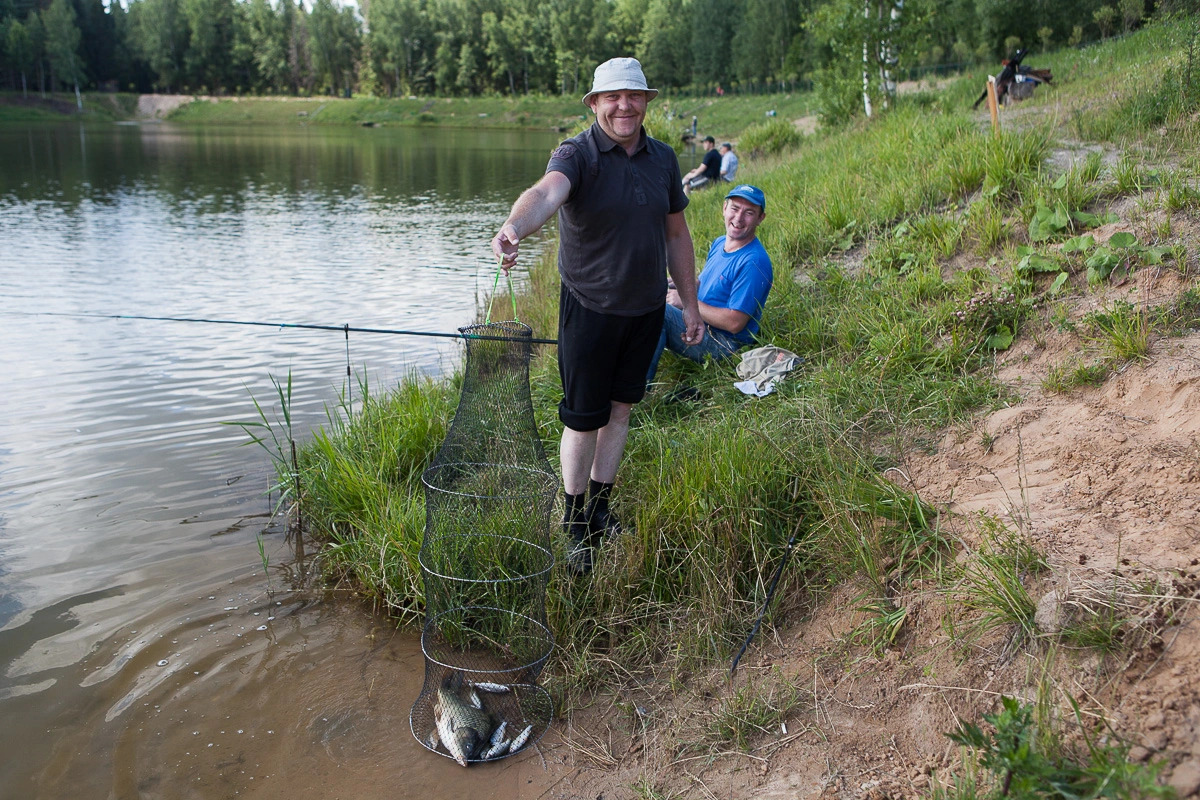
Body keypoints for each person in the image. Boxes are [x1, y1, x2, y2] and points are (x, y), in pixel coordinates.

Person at [491, 57, 704, 575]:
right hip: (588, 310)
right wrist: (514, 227)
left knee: (621, 410)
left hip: (647, 309)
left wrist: (692, 305)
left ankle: (601, 510)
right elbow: (546, 193)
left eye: (634, 96)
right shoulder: (576, 154)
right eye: (613, 97)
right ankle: (573, 522)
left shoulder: (663, 158)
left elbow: (676, 233)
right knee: (584, 421)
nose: (624, 106)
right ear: (594, 104)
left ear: (646, 101)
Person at [646, 184, 772, 383]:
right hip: (701, 324)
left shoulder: (753, 262)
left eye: (749, 213)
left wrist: (686, 303)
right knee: (646, 293)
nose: (739, 218)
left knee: (659, 312)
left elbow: (734, 323)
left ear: (760, 218)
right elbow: (710, 286)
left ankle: (636, 389)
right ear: (724, 208)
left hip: (723, 345)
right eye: (734, 208)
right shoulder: (720, 242)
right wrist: (686, 287)